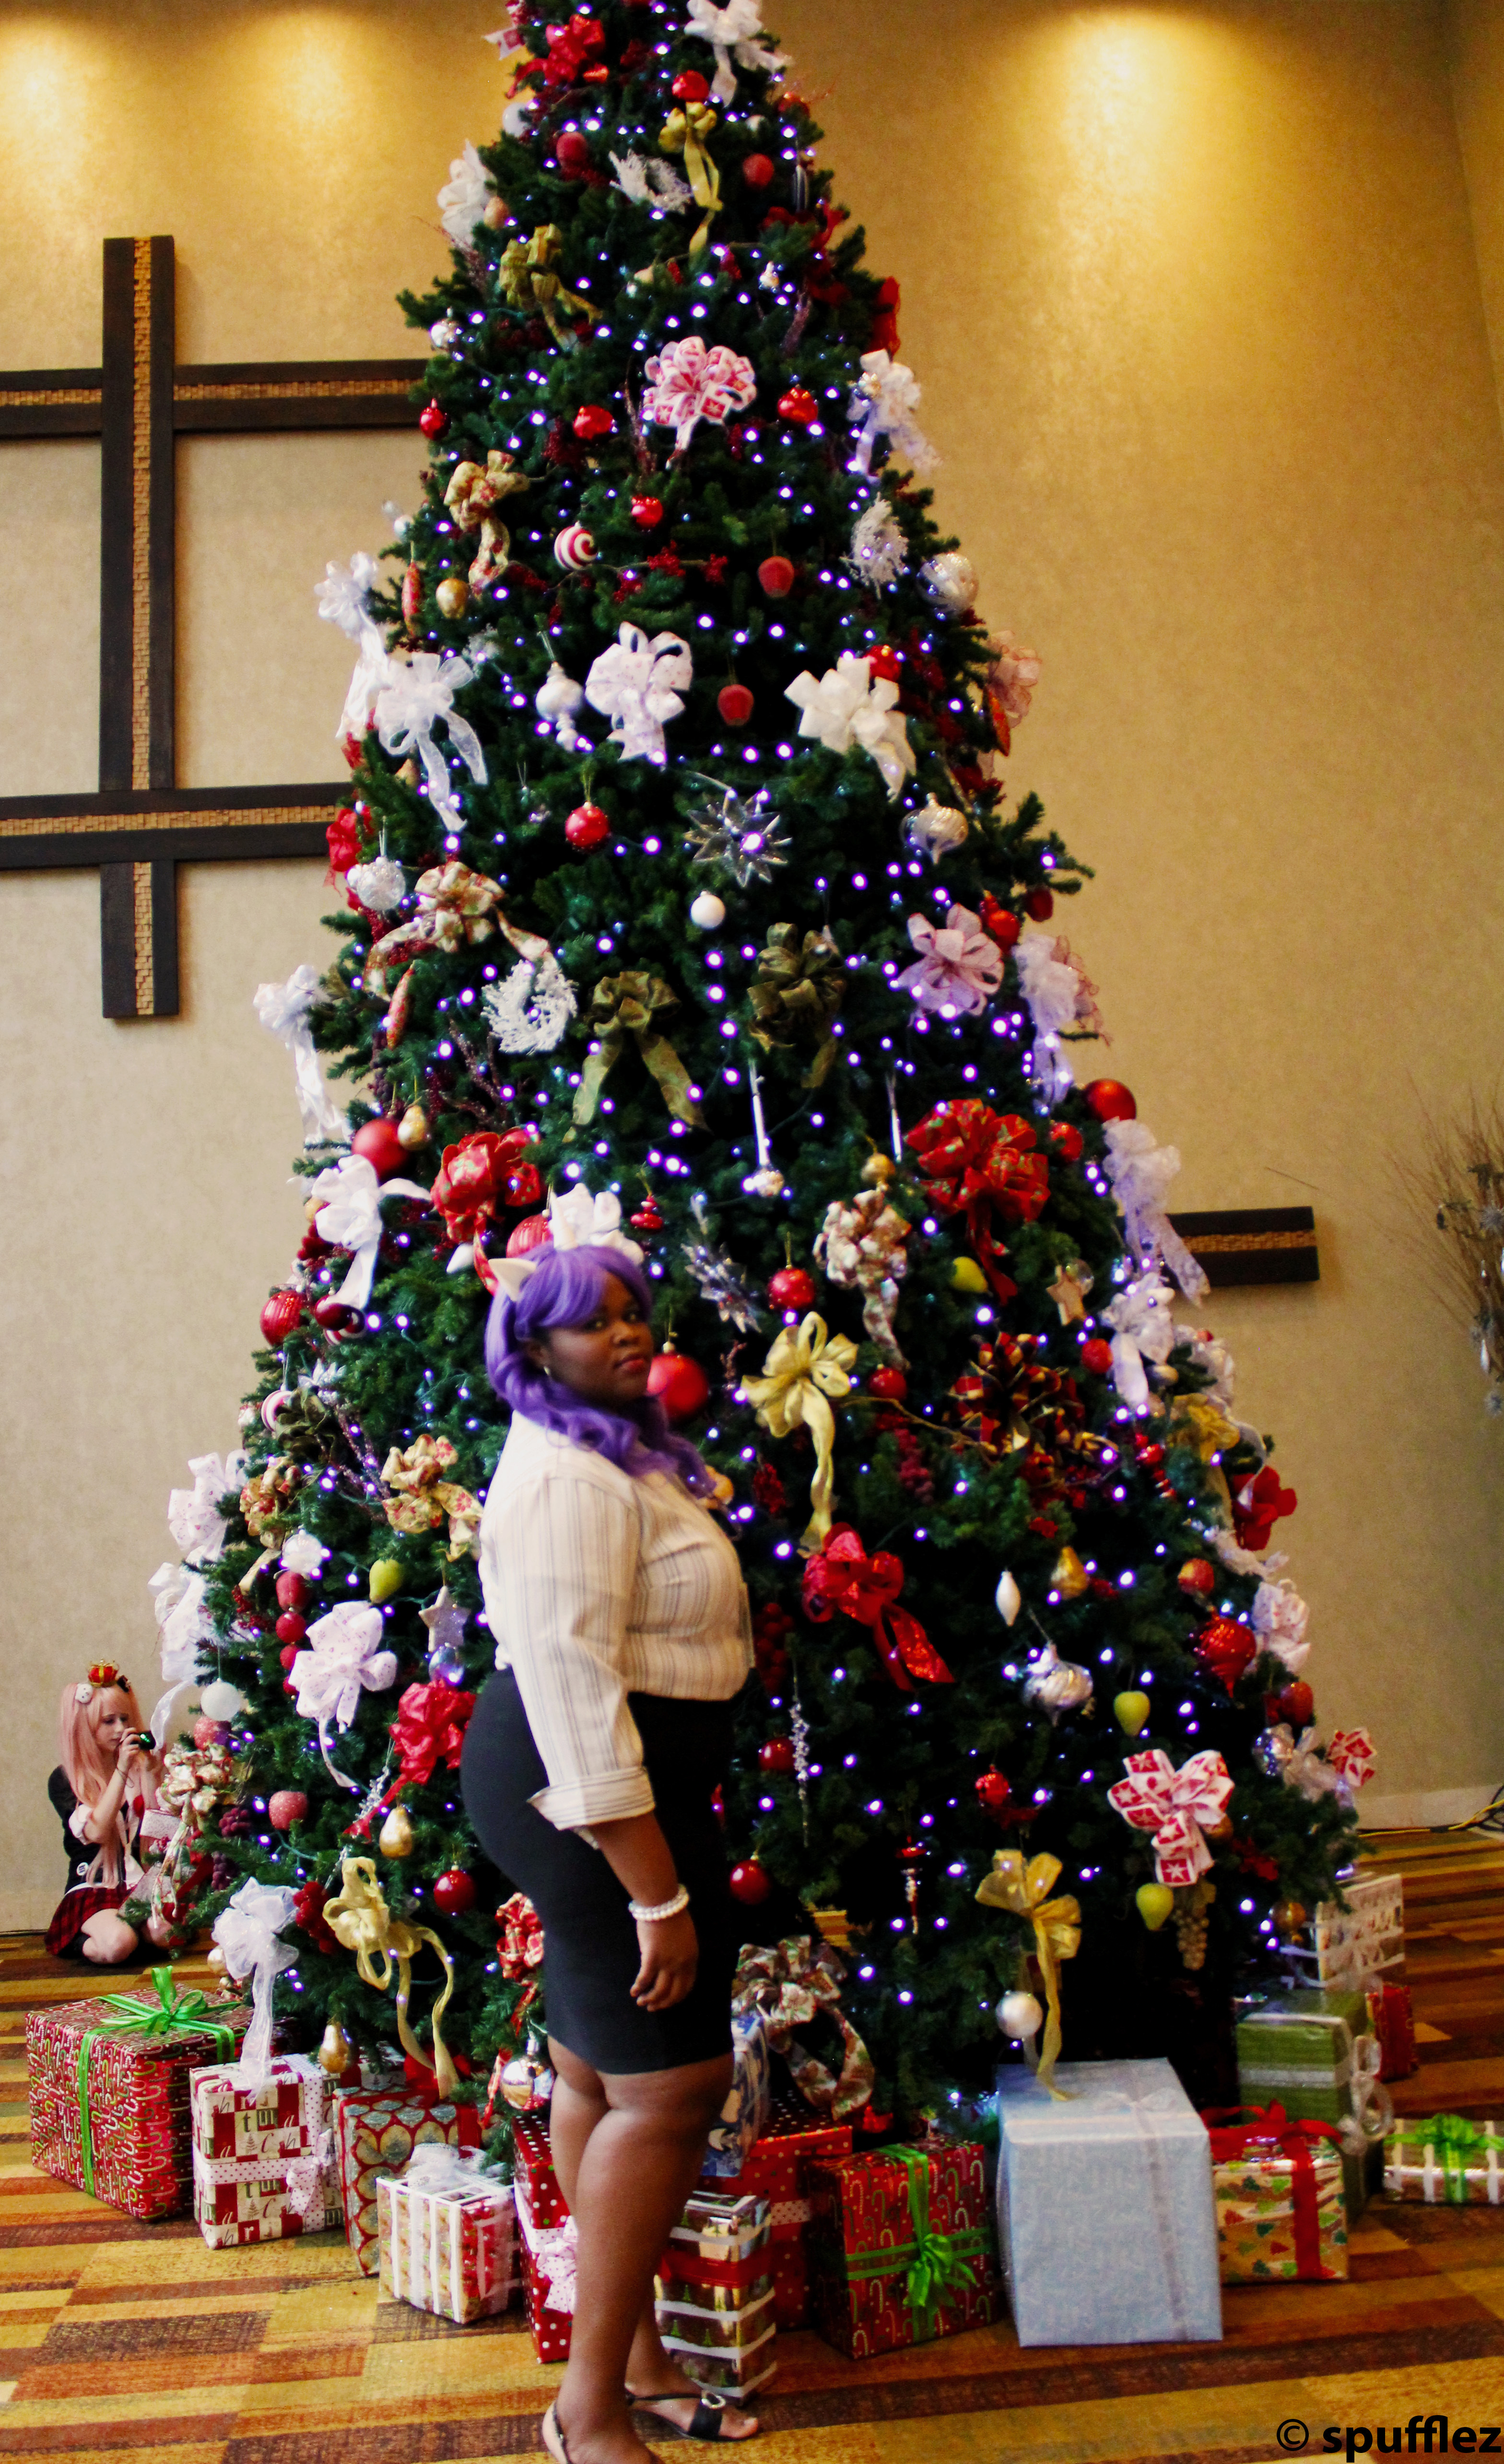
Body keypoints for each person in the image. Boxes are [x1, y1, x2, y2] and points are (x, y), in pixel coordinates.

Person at [461, 1196, 758, 2464]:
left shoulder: (612, 1452)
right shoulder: (557, 1480)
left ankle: (635, 2366)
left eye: (636, 1313)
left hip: (626, 1787)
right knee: (671, 2084)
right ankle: (583, 2414)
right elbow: (575, 1698)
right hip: (587, 1797)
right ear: (535, 1348)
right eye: (596, 1323)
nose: (630, 1336)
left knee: (594, 2072)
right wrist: (656, 1895)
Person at [46, 1664, 167, 1962]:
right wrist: (122, 1770)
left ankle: (133, 1935)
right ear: (85, 1727)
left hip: (136, 1882)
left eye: (125, 1719)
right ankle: (79, 1941)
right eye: (108, 1721)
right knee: (117, 1944)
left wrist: (151, 1775)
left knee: (167, 1935)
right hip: (93, 1884)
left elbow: (155, 1839)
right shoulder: (67, 1779)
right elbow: (98, 1832)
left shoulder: (139, 1768)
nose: (120, 1729)